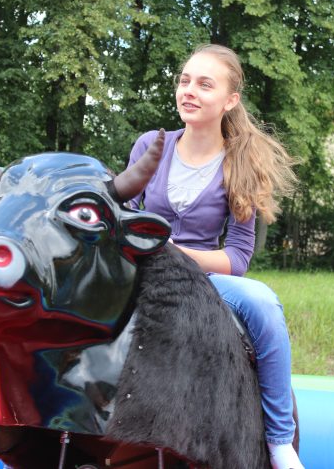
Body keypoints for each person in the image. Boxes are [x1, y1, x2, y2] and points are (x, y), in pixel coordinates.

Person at [127, 44, 304, 469]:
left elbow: (238, 257)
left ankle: (280, 441)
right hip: (139, 272)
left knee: (262, 301)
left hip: (200, 281)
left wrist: (175, 253)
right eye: (185, 80)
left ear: (229, 100)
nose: (189, 90)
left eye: (205, 84)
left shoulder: (240, 162)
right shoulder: (151, 145)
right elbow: (125, 215)